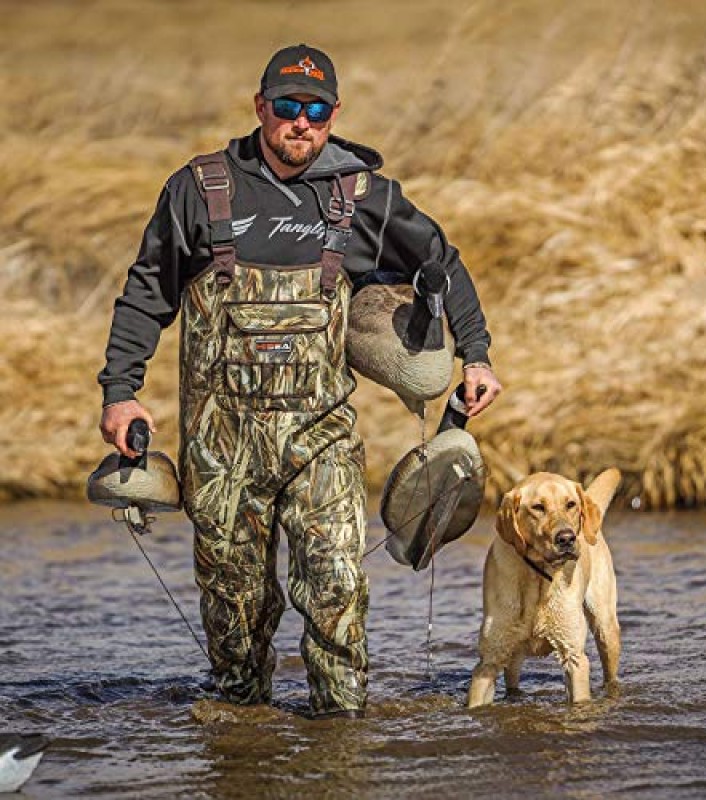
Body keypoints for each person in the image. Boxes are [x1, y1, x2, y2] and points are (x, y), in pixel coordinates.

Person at [98, 43, 501, 718]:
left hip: (323, 440)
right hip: (219, 447)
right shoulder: (197, 190)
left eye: (316, 111)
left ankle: (341, 741)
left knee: (338, 585)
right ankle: (241, 738)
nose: (301, 124)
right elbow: (146, 293)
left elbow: (443, 261)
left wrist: (477, 355)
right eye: (287, 107)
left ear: (334, 113)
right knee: (236, 609)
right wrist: (120, 391)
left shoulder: (365, 196)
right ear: (261, 107)